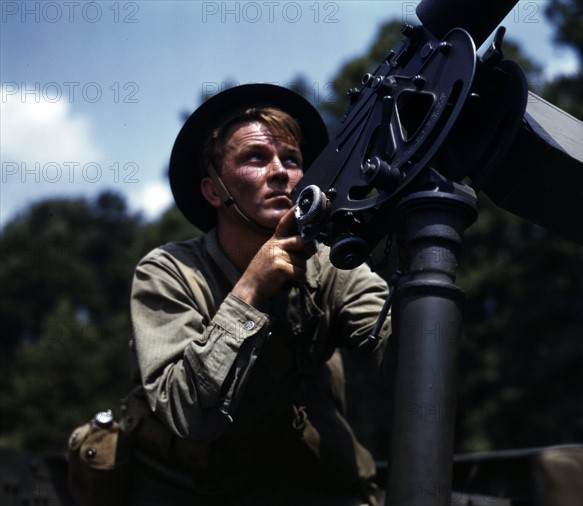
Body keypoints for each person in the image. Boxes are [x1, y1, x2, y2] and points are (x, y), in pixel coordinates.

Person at [121, 84, 392, 506]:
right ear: (213, 191)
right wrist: (250, 289)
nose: (281, 171)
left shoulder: (332, 267)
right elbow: (187, 412)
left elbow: (403, 357)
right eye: (255, 158)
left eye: (292, 159)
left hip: (302, 484)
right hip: (192, 492)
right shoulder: (169, 274)